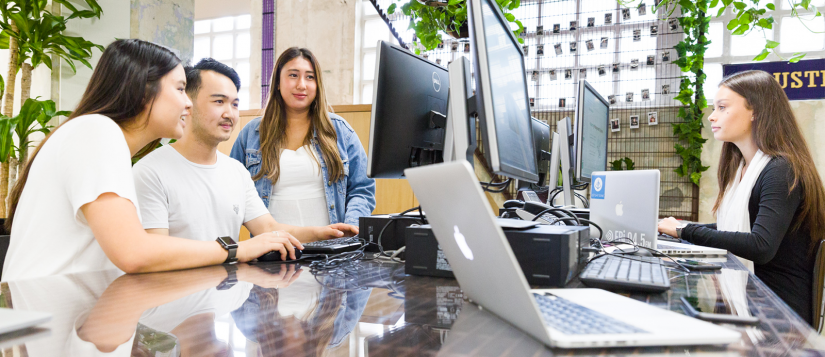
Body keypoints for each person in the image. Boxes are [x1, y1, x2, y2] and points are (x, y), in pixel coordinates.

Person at [2, 39, 301, 282]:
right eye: (181, 89)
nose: (187, 103)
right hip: (43, 326)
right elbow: (134, 253)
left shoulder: (103, 138)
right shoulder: (97, 131)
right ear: (144, 89)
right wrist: (238, 249)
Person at [658, 70, 825, 325]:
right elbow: (735, 229)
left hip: (780, 319)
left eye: (722, 107)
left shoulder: (781, 170)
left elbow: (761, 246)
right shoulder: (743, 170)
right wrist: (675, 230)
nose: (712, 116)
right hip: (758, 305)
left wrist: (684, 230)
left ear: (755, 111)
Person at [133, 58, 358, 247]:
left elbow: (268, 228)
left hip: (228, 295)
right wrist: (237, 251)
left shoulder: (236, 171)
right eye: (219, 101)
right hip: (175, 298)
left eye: (235, 104)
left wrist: (325, 233)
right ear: (187, 104)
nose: (229, 113)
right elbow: (156, 251)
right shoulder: (150, 171)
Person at [231, 47, 375, 228]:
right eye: (293, 75)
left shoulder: (340, 131)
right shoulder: (251, 134)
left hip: (330, 251)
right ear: (277, 82)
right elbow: (232, 192)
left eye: (310, 77)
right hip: (273, 251)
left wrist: (350, 227)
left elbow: (362, 189)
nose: (302, 85)